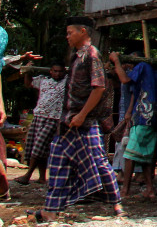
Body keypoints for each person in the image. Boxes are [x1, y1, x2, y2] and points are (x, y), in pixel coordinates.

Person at [39, 16, 124, 221]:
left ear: (83, 32)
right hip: (68, 122)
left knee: (99, 163)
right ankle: (50, 210)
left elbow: (99, 88)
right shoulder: (77, 56)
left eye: (70, 32)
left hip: (85, 122)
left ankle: (117, 208)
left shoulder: (92, 55)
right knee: (58, 163)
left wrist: (82, 114)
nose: (67, 36)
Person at [109, 52, 157, 200]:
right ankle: (149, 188)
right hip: (152, 117)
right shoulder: (152, 74)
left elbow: (124, 80)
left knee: (129, 154)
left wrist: (116, 61)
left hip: (144, 116)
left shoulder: (142, 66)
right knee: (146, 156)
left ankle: (125, 190)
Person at [19, 63, 67, 185]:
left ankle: (27, 175)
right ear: (50, 71)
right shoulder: (43, 80)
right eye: (55, 71)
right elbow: (28, 84)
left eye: (60, 71)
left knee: (38, 146)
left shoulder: (66, 82)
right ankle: (41, 177)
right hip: (39, 115)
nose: (57, 74)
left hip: (54, 118)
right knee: (39, 147)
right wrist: (28, 71)